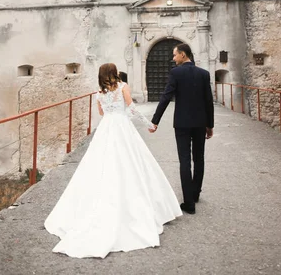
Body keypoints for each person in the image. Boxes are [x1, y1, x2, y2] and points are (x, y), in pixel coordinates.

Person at [44, 63, 182, 258]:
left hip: (106, 127)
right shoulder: (123, 87)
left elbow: (101, 113)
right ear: (114, 73)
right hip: (122, 127)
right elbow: (132, 110)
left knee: (99, 165)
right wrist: (149, 124)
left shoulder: (99, 93)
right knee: (132, 164)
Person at [150, 43, 214, 215]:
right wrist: (210, 125)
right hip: (200, 123)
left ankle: (189, 203)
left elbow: (166, 97)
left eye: (175, 55)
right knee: (199, 158)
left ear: (183, 55)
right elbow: (209, 101)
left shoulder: (175, 73)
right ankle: (195, 194)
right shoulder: (204, 74)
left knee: (184, 161)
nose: (173, 58)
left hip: (182, 124)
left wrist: (155, 121)